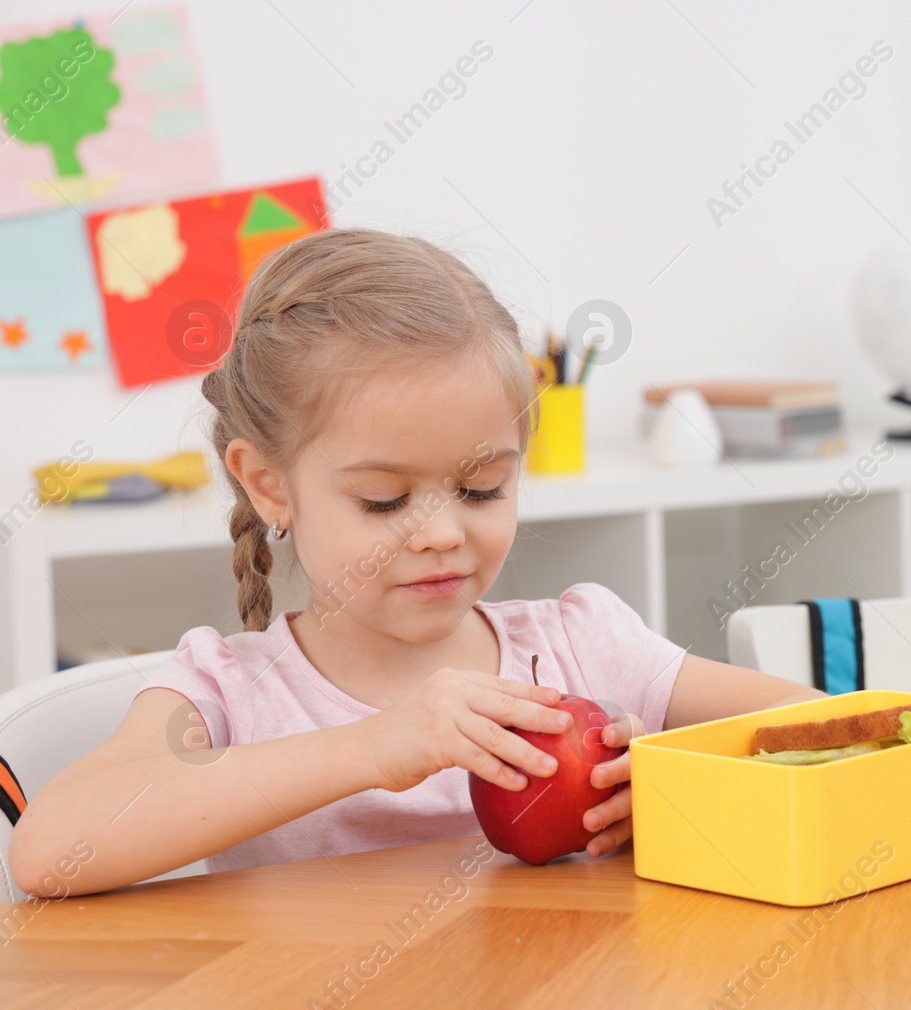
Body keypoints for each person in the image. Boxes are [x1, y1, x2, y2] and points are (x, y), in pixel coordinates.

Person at [8, 228, 824, 896]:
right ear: (270, 486)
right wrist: (372, 747)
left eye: (480, 487)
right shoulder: (225, 689)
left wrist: (674, 789)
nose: (440, 533)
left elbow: (825, 726)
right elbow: (48, 848)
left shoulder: (586, 645)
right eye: (385, 501)